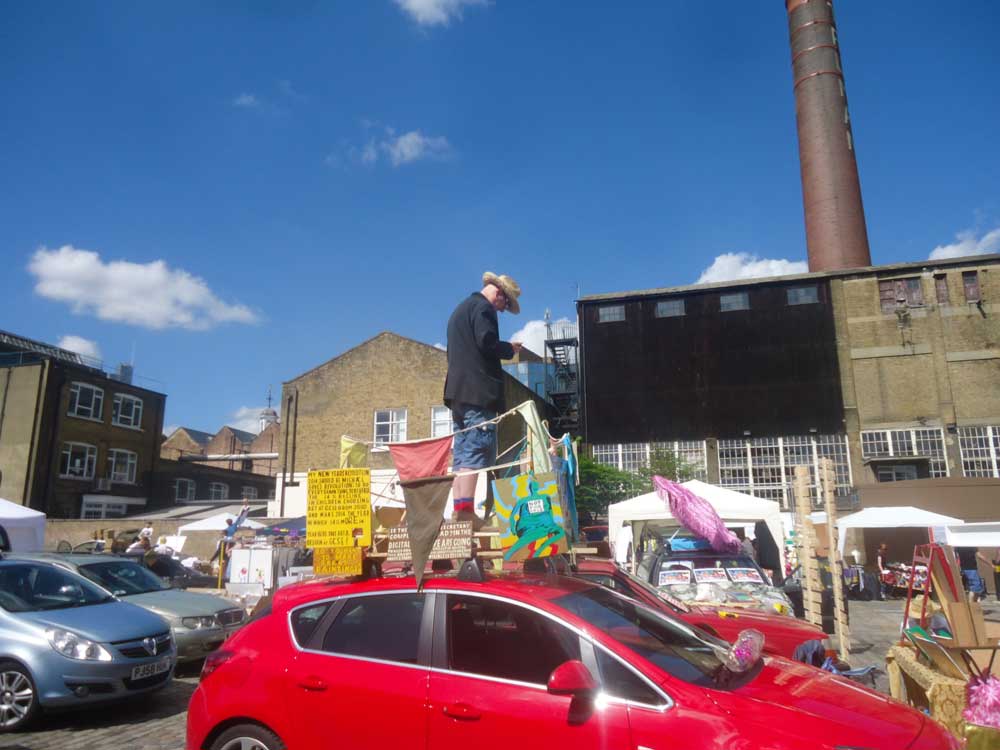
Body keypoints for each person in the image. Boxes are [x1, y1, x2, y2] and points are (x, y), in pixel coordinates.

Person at [444, 272, 522, 524]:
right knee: (476, 451)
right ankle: (465, 513)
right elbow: (486, 342)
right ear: (499, 294)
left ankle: (460, 509)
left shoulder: (461, 310)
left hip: (458, 393)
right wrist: (509, 349)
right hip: (478, 393)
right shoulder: (483, 309)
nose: (502, 310)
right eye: (505, 305)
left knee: (463, 454)